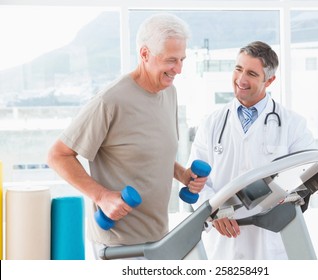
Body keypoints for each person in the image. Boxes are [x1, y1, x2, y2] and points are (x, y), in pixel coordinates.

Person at [47, 13, 207, 259]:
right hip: (120, 246)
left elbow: (151, 152)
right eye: (171, 60)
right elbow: (58, 155)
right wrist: (101, 196)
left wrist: (182, 174)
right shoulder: (110, 100)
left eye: (182, 59)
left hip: (158, 237)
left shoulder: (169, 93)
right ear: (144, 54)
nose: (179, 69)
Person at [188, 41, 318, 260]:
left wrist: (304, 186)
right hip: (225, 241)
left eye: (251, 73)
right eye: (238, 69)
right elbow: (195, 182)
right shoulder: (212, 123)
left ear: (270, 80)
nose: (241, 80)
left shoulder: (292, 124)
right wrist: (214, 211)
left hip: (270, 240)